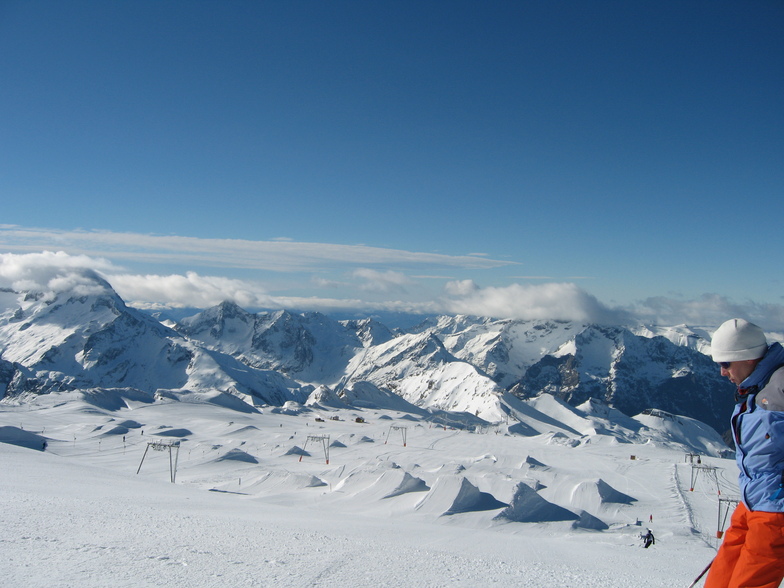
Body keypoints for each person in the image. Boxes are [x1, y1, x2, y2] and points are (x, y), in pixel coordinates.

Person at [704, 318, 784, 588]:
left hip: (775, 510)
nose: (722, 372)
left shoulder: (780, 386)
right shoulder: (756, 388)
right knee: (719, 578)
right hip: (751, 501)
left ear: (748, 358)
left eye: (725, 364)